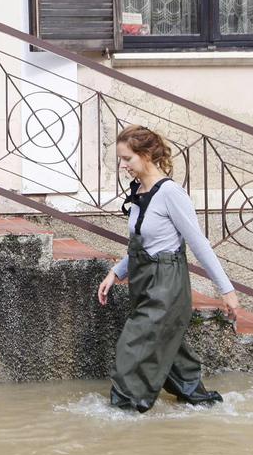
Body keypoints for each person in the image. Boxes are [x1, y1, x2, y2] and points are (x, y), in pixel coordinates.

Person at [96, 125, 239, 413]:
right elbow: (142, 242)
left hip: (167, 284)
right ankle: (202, 403)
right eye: (121, 160)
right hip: (143, 279)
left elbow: (198, 243)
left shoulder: (171, 193)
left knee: (133, 349)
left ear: (146, 155)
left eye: (127, 159)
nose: (122, 166)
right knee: (171, 352)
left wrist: (226, 289)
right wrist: (116, 273)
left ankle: (120, 415)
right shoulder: (139, 191)